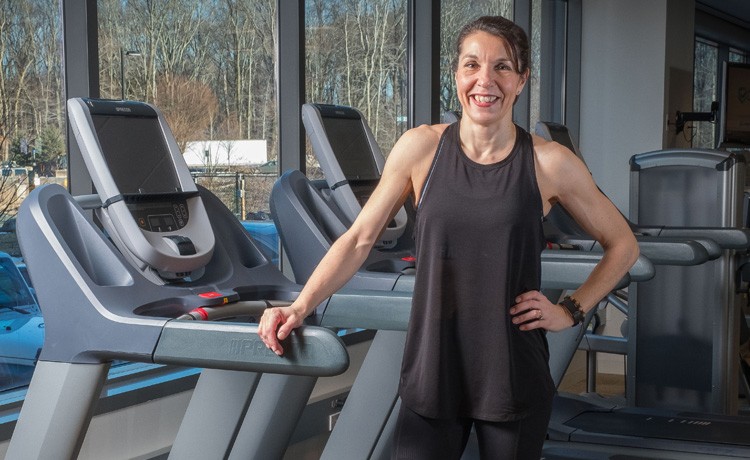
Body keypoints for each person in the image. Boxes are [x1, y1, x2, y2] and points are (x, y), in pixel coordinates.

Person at [258, 15, 639, 459]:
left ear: (521, 80)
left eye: (502, 67)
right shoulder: (420, 147)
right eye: (472, 65)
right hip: (433, 366)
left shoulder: (550, 163)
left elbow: (624, 246)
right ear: (457, 75)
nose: (485, 80)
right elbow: (359, 238)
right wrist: (300, 305)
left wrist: (570, 310)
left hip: (511, 371)